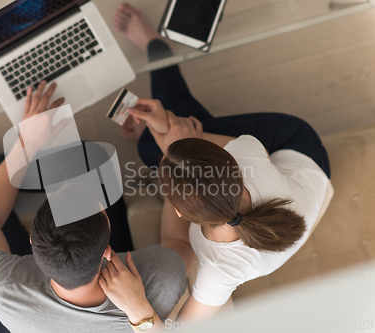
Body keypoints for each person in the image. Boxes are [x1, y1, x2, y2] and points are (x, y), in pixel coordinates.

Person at [113, 3, 331, 323]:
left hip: (296, 189)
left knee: (160, 138)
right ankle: (157, 47)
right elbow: (187, 138)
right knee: (160, 139)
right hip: (299, 147)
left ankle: (157, 60)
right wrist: (164, 128)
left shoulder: (220, 271)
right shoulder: (248, 154)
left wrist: (139, 313)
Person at [0, 80, 192, 333]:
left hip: (22, 322)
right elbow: (181, 242)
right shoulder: (156, 281)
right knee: (87, 159)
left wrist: (26, 142)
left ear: (33, 241)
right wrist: (179, 155)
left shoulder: (1, 288)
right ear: (108, 250)